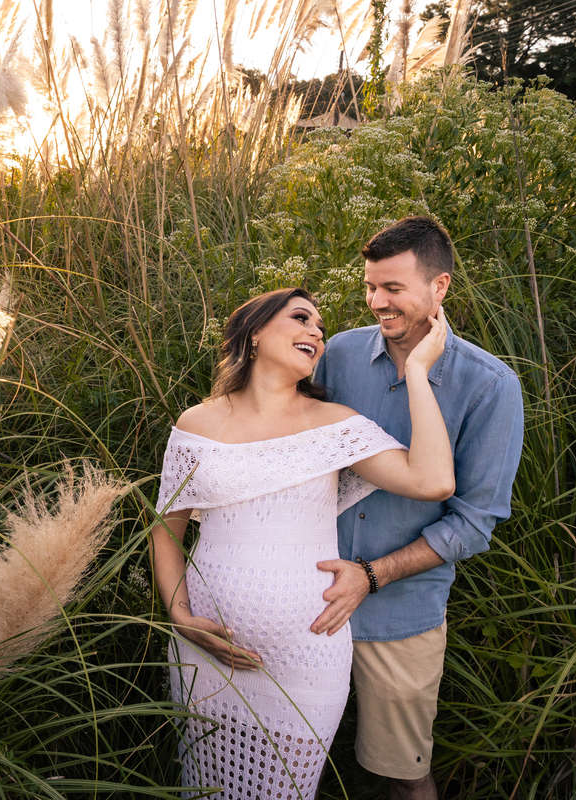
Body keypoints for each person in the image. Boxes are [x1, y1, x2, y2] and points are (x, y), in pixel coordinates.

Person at [151, 286, 455, 799]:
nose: (317, 331)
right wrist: (179, 615)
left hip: (305, 655)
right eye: (300, 318)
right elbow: (166, 530)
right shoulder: (196, 424)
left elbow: (432, 481)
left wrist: (419, 372)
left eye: (320, 325)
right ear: (253, 334)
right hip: (205, 649)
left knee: (285, 790)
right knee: (202, 787)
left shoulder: (333, 425)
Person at [312, 217, 524, 799]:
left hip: (400, 616)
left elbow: (474, 523)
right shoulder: (340, 355)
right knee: (295, 760)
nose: (377, 302)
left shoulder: (490, 385)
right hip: (306, 599)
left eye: (394, 289)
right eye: (370, 288)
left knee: (401, 776)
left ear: (440, 287)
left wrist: (373, 577)